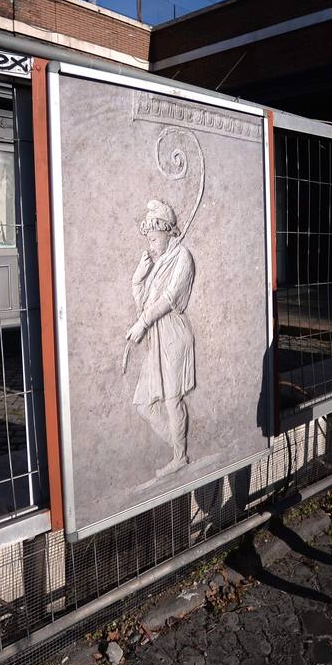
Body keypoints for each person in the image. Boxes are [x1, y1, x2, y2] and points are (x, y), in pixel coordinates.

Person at [126, 199, 197, 477]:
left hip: (173, 335)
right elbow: (143, 303)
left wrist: (142, 324)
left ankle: (179, 456)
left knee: (172, 399)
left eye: (155, 238)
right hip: (156, 337)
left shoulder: (182, 257)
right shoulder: (158, 264)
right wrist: (139, 279)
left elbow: (169, 299)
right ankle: (178, 445)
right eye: (150, 239)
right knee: (142, 403)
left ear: (168, 233)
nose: (152, 244)